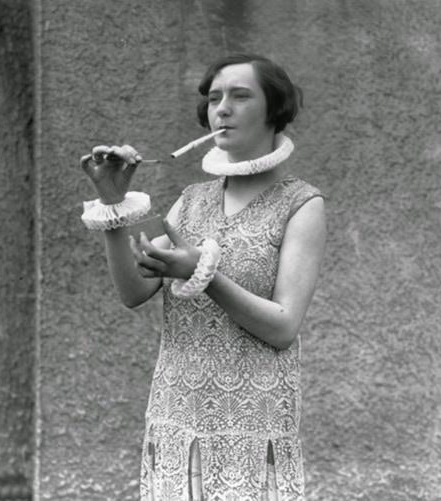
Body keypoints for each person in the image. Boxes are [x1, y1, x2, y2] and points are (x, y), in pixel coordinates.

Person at [80, 53, 326, 501]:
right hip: (177, 419)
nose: (222, 109)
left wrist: (204, 274)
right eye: (214, 98)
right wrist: (114, 204)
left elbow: (284, 326)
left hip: (252, 425)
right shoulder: (190, 202)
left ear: (274, 109)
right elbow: (134, 292)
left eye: (240, 96)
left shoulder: (302, 205)